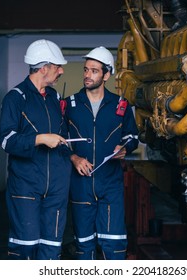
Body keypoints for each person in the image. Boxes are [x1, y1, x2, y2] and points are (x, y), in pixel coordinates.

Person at [0, 39, 72, 260]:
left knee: (51, 248)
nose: (61, 71)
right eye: (57, 67)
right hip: (26, 185)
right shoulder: (15, 98)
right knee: (26, 247)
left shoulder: (54, 98)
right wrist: (40, 139)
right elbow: (6, 141)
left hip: (57, 187)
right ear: (43, 68)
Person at [65, 46, 139, 260]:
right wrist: (74, 157)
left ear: (106, 75)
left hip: (110, 184)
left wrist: (124, 148)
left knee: (114, 245)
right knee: (83, 246)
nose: (88, 75)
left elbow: (132, 136)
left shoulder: (120, 105)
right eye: (86, 70)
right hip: (80, 184)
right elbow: (60, 140)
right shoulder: (70, 104)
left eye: (94, 71)